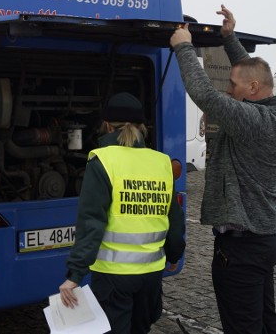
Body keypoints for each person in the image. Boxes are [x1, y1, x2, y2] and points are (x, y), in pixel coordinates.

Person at [169, 5, 276, 334]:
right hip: (263, 241)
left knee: (243, 327)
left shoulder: (253, 121)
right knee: (266, 323)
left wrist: (184, 46)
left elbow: (206, 96)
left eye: (234, 85)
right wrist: (229, 38)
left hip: (242, 250)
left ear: (254, 89)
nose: (230, 89)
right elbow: (249, 73)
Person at [58, 92, 186, 334]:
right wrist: (174, 254)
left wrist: (75, 274)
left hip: (113, 278)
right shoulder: (161, 162)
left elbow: (92, 222)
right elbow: (174, 219)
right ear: (141, 127)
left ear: (107, 125)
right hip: (150, 276)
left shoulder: (103, 161)